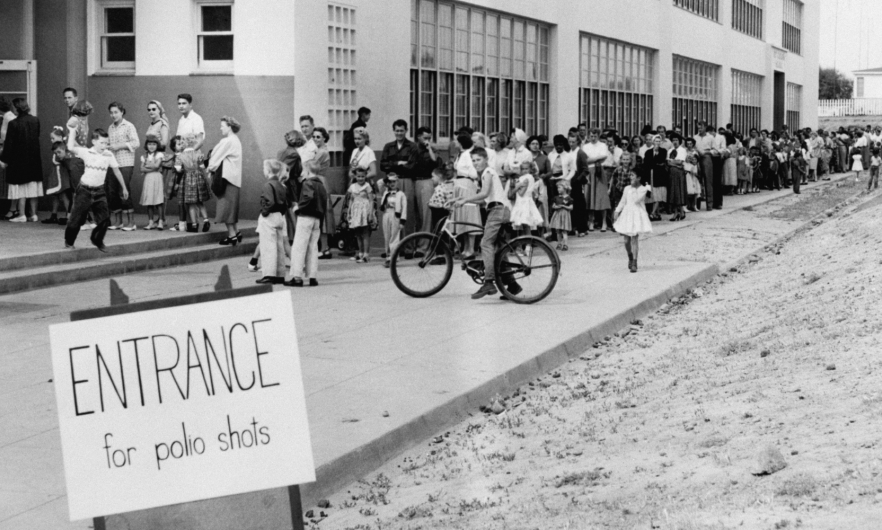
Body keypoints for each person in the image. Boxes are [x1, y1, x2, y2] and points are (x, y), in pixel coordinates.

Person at [452, 147, 513, 300]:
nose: (476, 163)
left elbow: (484, 193)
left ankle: (488, 282)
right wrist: (459, 200)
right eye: (473, 161)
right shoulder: (486, 174)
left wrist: (466, 199)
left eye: (478, 160)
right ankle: (512, 284)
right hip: (499, 209)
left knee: (486, 244)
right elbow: (484, 199)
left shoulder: (487, 172)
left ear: (486, 159)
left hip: (498, 210)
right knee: (498, 247)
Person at [64, 127, 129, 250]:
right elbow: (70, 147)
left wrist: (124, 188)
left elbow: (117, 171)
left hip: (99, 191)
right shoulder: (86, 152)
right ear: (94, 141)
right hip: (84, 190)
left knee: (104, 219)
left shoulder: (109, 155)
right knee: (76, 219)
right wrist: (72, 131)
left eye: (106, 143)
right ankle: (69, 241)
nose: (104, 146)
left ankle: (97, 240)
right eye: (101, 143)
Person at [284, 154, 329, 287]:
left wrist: (298, 207)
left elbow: (307, 198)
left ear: (308, 171)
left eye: (303, 170)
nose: (302, 173)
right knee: (312, 247)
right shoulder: (321, 185)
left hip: (305, 217)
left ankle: (297, 276)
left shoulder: (307, 183)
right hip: (317, 219)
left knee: (299, 247)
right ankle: (312, 276)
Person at [0, 98, 43, 222]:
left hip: (18, 160)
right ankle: (34, 214)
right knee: (33, 187)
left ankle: (22, 215)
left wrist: (4, 160)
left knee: (21, 188)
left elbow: (9, 144)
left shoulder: (14, 123)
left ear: (16, 108)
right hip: (34, 159)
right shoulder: (35, 120)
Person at [208, 116, 243, 246]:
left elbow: (214, 158)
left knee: (226, 208)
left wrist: (209, 168)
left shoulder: (227, 141)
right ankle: (236, 232)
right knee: (231, 208)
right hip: (234, 179)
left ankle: (232, 235)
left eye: (222, 126)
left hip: (227, 179)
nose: (220, 128)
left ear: (229, 126)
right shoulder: (236, 140)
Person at [255, 159, 290, 285]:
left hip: (269, 216)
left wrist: (264, 212)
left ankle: (269, 274)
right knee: (279, 246)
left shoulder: (268, 185)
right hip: (279, 216)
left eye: (264, 169)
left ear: (268, 170)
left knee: (268, 246)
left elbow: (269, 201)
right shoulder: (281, 185)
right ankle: (280, 274)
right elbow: (286, 203)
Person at [106, 102, 139, 231]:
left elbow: (136, 143)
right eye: (111, 113)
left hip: (125, 163)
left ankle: (131, 222)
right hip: (112, 163)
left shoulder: (129, 126)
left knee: (123, 191)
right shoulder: (110, 127)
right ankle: (118, 221)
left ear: (122, 112)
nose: (113, 115)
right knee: (112, 191)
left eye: (116, 112)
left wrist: (120, 145)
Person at [409, 126, 442, 251]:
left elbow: (435, 163)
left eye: (429, 137)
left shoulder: (432, 149)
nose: (427, 140)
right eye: (425, 137)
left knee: (426, 215)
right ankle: (415, 243)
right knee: (416, 215)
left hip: (427, 181)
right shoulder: (413, 148)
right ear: (418, 137)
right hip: (415, 181)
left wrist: (430, 149)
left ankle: (424, 246)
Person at [613, 170, 652, 273]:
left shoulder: (643, 189)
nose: (630, 177)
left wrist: (644, 189)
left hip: (637, 214)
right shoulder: (626, 189)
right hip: (627, 214)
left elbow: (636, 200)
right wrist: (617, 211)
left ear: (638, 178)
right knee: (626, 240)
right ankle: (630, 256)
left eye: (632, 175)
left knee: (634, 238)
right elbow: (623, 201)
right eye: (630, 175)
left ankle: (635, 262)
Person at [451, 133, 481, 258]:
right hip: (459, 185)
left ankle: (471, 249)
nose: (454, 143)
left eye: (456, 141)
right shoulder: (461, 154)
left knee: (469, 216)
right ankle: (465, 249)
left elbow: (474, 173)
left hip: (467, 185)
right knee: (462, 217)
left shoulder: (468, 155)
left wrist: (463, 174)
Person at [176, 133, 210, 232]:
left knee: (190, 203)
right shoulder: (198, 153)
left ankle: (194, 225)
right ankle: (206, 220)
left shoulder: (180, 156)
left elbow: (178, 169)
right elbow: (202, 166)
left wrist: (184, 169)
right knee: (200, 201)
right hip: (198, 176)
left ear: (184, 143)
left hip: (187, 178)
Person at [342, 166, 376, 263]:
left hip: (364, 211)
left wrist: (370, 212)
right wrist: (349, 212)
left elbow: (371, 200)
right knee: (357, 233)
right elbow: (351, 200)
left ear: (365, 176)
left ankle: (366, 254)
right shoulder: (352, 187)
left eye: (362, 176)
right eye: (358, 176)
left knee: (365, 233)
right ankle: (360, 253)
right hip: (356, 211)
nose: (360, 178)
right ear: (355, 176)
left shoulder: (367, 186)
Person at [580, 128, 610, 231]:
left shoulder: (603, 145)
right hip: (589, 172)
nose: (593, 138)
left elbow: (604, 156)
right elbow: (584, 161)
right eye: (591, 136)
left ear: (598, 136)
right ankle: (591, 221)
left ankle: (604, 222)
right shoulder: (585, 146)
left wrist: (591, 159)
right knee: (590, 196)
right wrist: (597, 158)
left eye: (595, 136)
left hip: (599, 171)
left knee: (601, 196)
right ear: (589, 136)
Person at [42, 127, 72, 225]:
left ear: (60, 137)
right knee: (55, 195)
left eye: (53, 138)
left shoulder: (63, 147)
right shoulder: (56, 148)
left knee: (63, 195)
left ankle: (70, 216)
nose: (51, 140)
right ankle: (54, 215)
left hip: (61, 175)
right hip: (55, 174)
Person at [379, 173, 407, 268]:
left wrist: (402, 221)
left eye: (394, 181)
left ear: (397, 182)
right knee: (387, 236)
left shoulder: (401, 194)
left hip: (395, 216)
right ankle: (388, 257)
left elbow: (404, 208)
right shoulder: (385, 192)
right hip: (386, 214)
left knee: (394, 237)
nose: (392, 184)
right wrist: (385, 179)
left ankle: (394, 258)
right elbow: (379, 183)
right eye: (390, 182)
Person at [510, 160, 543, 236]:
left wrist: (517, 185)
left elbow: (521, 193)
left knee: (526, 223)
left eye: (526, 169)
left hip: (524, 202)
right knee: (522, 225)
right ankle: (524, 244)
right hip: (521, 201)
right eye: (523, 169)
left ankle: (528, 245)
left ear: (530, 169)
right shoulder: (522, 177)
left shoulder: (527, 177)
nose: (524, 171)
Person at [139, 134, 166, 229]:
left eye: (154, 144)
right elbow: (141, 169)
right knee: (149, 200)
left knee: (158, 200)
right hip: (148, 179)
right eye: (149, 144)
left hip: (157, 178)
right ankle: (150, 222)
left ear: (157, 145)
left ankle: (160, 222)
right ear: (146, 145)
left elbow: (157, 166)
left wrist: (147, 166)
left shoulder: (159, 154)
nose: (151, 146)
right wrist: (152, 167)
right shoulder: (144, 156)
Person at [164, 136, 187, 231]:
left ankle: (182, 224)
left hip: (180, 179)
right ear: (174, 147)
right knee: (182, 202)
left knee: (181, 203)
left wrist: (177, 183)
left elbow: (179, 171)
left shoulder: (180, 156)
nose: (181, 145)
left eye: (182, 143)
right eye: (179, 144)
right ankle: (183, 223)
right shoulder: (177, 155)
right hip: (179, 179)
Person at [642, 135, 667, 222]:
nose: (658, 143)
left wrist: (656, 157)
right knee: (652, 195)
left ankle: (652, 213)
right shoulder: (648, 152)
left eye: (659, 141)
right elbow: (646, 164)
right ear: (653, 142)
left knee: (658, 195)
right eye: (656, 141)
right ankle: (657, 214)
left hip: (660, 176)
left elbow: (660, 161)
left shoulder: (663, 151)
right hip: (650, 174)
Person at [427, 166, 455, 235]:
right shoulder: (444, 186)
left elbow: (440, 205)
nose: (431, 178)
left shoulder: (440, 188)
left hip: (439, 214)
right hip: (440, 213)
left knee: (439, 230)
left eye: (433, 176)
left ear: (439, 176)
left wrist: (430, 204)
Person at [666, 133, 687, 221]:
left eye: (676, 140)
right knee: (673, 193)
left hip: (679, 173)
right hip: (671, 173)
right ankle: (677, 212)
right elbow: (668, 163)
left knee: (679, 192)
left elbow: (680, 162)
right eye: (673, 140)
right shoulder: (670, 151)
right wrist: (675, 162)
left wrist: (673, 162)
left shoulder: (682, 150)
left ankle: (679, 212)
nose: (675, 142)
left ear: (680, 141)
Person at [550, 180, 573, 250]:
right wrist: (558, 207)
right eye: (557, 188)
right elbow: (553, 206)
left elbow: (571, 207)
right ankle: (559, 243)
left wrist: (564, 206)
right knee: (558, 231)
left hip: (564, 216)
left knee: (564, 231)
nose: (558, 189)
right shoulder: (556, 198)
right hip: (558, 215)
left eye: (559, 188)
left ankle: (565, 244)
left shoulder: (568, 198)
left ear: (565, 188)